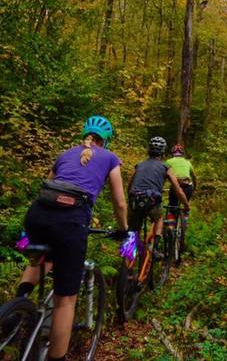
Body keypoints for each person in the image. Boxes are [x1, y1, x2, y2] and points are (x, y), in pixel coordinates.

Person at [16, 115, 128, 361]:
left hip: (37, 213)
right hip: (71, 218)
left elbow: (47, 184)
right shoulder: (110, 158)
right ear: (106, 141)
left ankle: (16, 311)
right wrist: (123, 229)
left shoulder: (65, 153)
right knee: (65, 300)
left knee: (40, 260)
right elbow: (119, 202)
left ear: (84, 135)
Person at [127, 136, 190, 259]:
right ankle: (155, 247)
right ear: (163, 153)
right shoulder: (165, 167)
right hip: (151, 201)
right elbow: (178, 189)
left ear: (148, 151)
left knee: (132, 234)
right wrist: (186, 205)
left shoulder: (139, 165)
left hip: (135, 200)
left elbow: (129, 186)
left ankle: (127, 269)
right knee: (159, 218)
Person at [165, 144, 197, 219]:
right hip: (188, 187)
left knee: (172, 206)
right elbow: (194, 177)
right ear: (182, 154)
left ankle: (171, 223)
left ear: (172, 153)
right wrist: (194, 187)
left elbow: (163, 175)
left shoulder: (168, 161)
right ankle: (185, 218)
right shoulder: (188, 162)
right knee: (186, 204)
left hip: (176, 188)